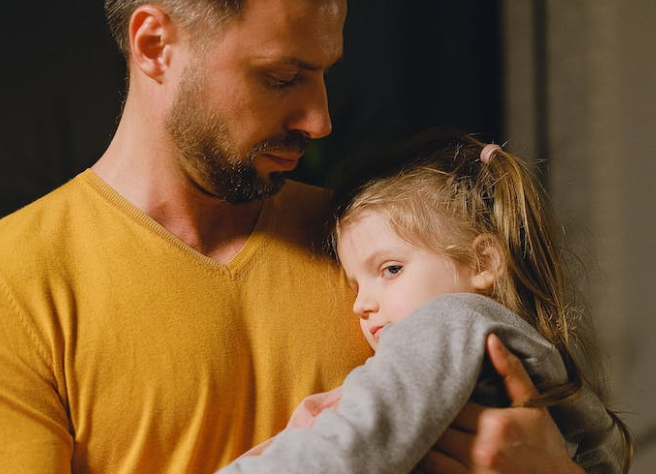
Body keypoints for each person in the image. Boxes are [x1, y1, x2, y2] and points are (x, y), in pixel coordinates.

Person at [0, 1, 604, 473]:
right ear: (155, 45)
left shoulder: (381, 250)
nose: (320, 121)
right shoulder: (17, 278)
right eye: (283, 78)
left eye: (321, 76)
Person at [215, 132, 632, 474]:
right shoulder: (522, 350)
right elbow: (603, 450)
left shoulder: (450, 319)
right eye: (355, 283)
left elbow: (363, 438)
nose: (362, 304)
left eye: (391, 269)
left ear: (481, 262)